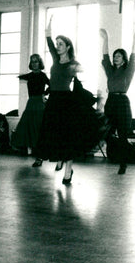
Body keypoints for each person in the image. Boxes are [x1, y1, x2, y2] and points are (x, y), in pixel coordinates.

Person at [34, 20, 102, 184]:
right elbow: (49, 44)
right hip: (53, 101)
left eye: (61, 44)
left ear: (68, 47)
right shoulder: (56, 59)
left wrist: (78, 71)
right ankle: (59, 159)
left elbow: (82, 73)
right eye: (57, 44)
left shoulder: (73, 63)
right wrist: (48, 32)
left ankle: (68, 171)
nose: (57, 47)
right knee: (51, 133)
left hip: (65, 101)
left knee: (67, 137)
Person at [100, 26, 135, 175]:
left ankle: (123, 163)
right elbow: (105, 56)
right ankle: (115, 155)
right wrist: (106, 39)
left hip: (122, 102)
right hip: (111, 102)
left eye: (118, 56)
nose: (115, 58)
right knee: (107, 133)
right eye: (115, 56)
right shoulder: (110, 70)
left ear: (123, 59)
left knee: (122, 135)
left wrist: (134, 38)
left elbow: (134, 56)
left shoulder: (128, 70)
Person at [12, 53, 49, 164]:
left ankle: (40, 157)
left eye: (36, 61)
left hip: (39, 104)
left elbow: (51, 85)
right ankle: (36, 155)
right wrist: (20, 76)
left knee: (38, 130)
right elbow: (23, 76)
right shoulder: (29, 76)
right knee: (27, 128)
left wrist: (44, 94)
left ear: (40, 62)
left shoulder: (42, 75)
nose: (34, 64)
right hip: (31, 103)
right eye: (32, 61)